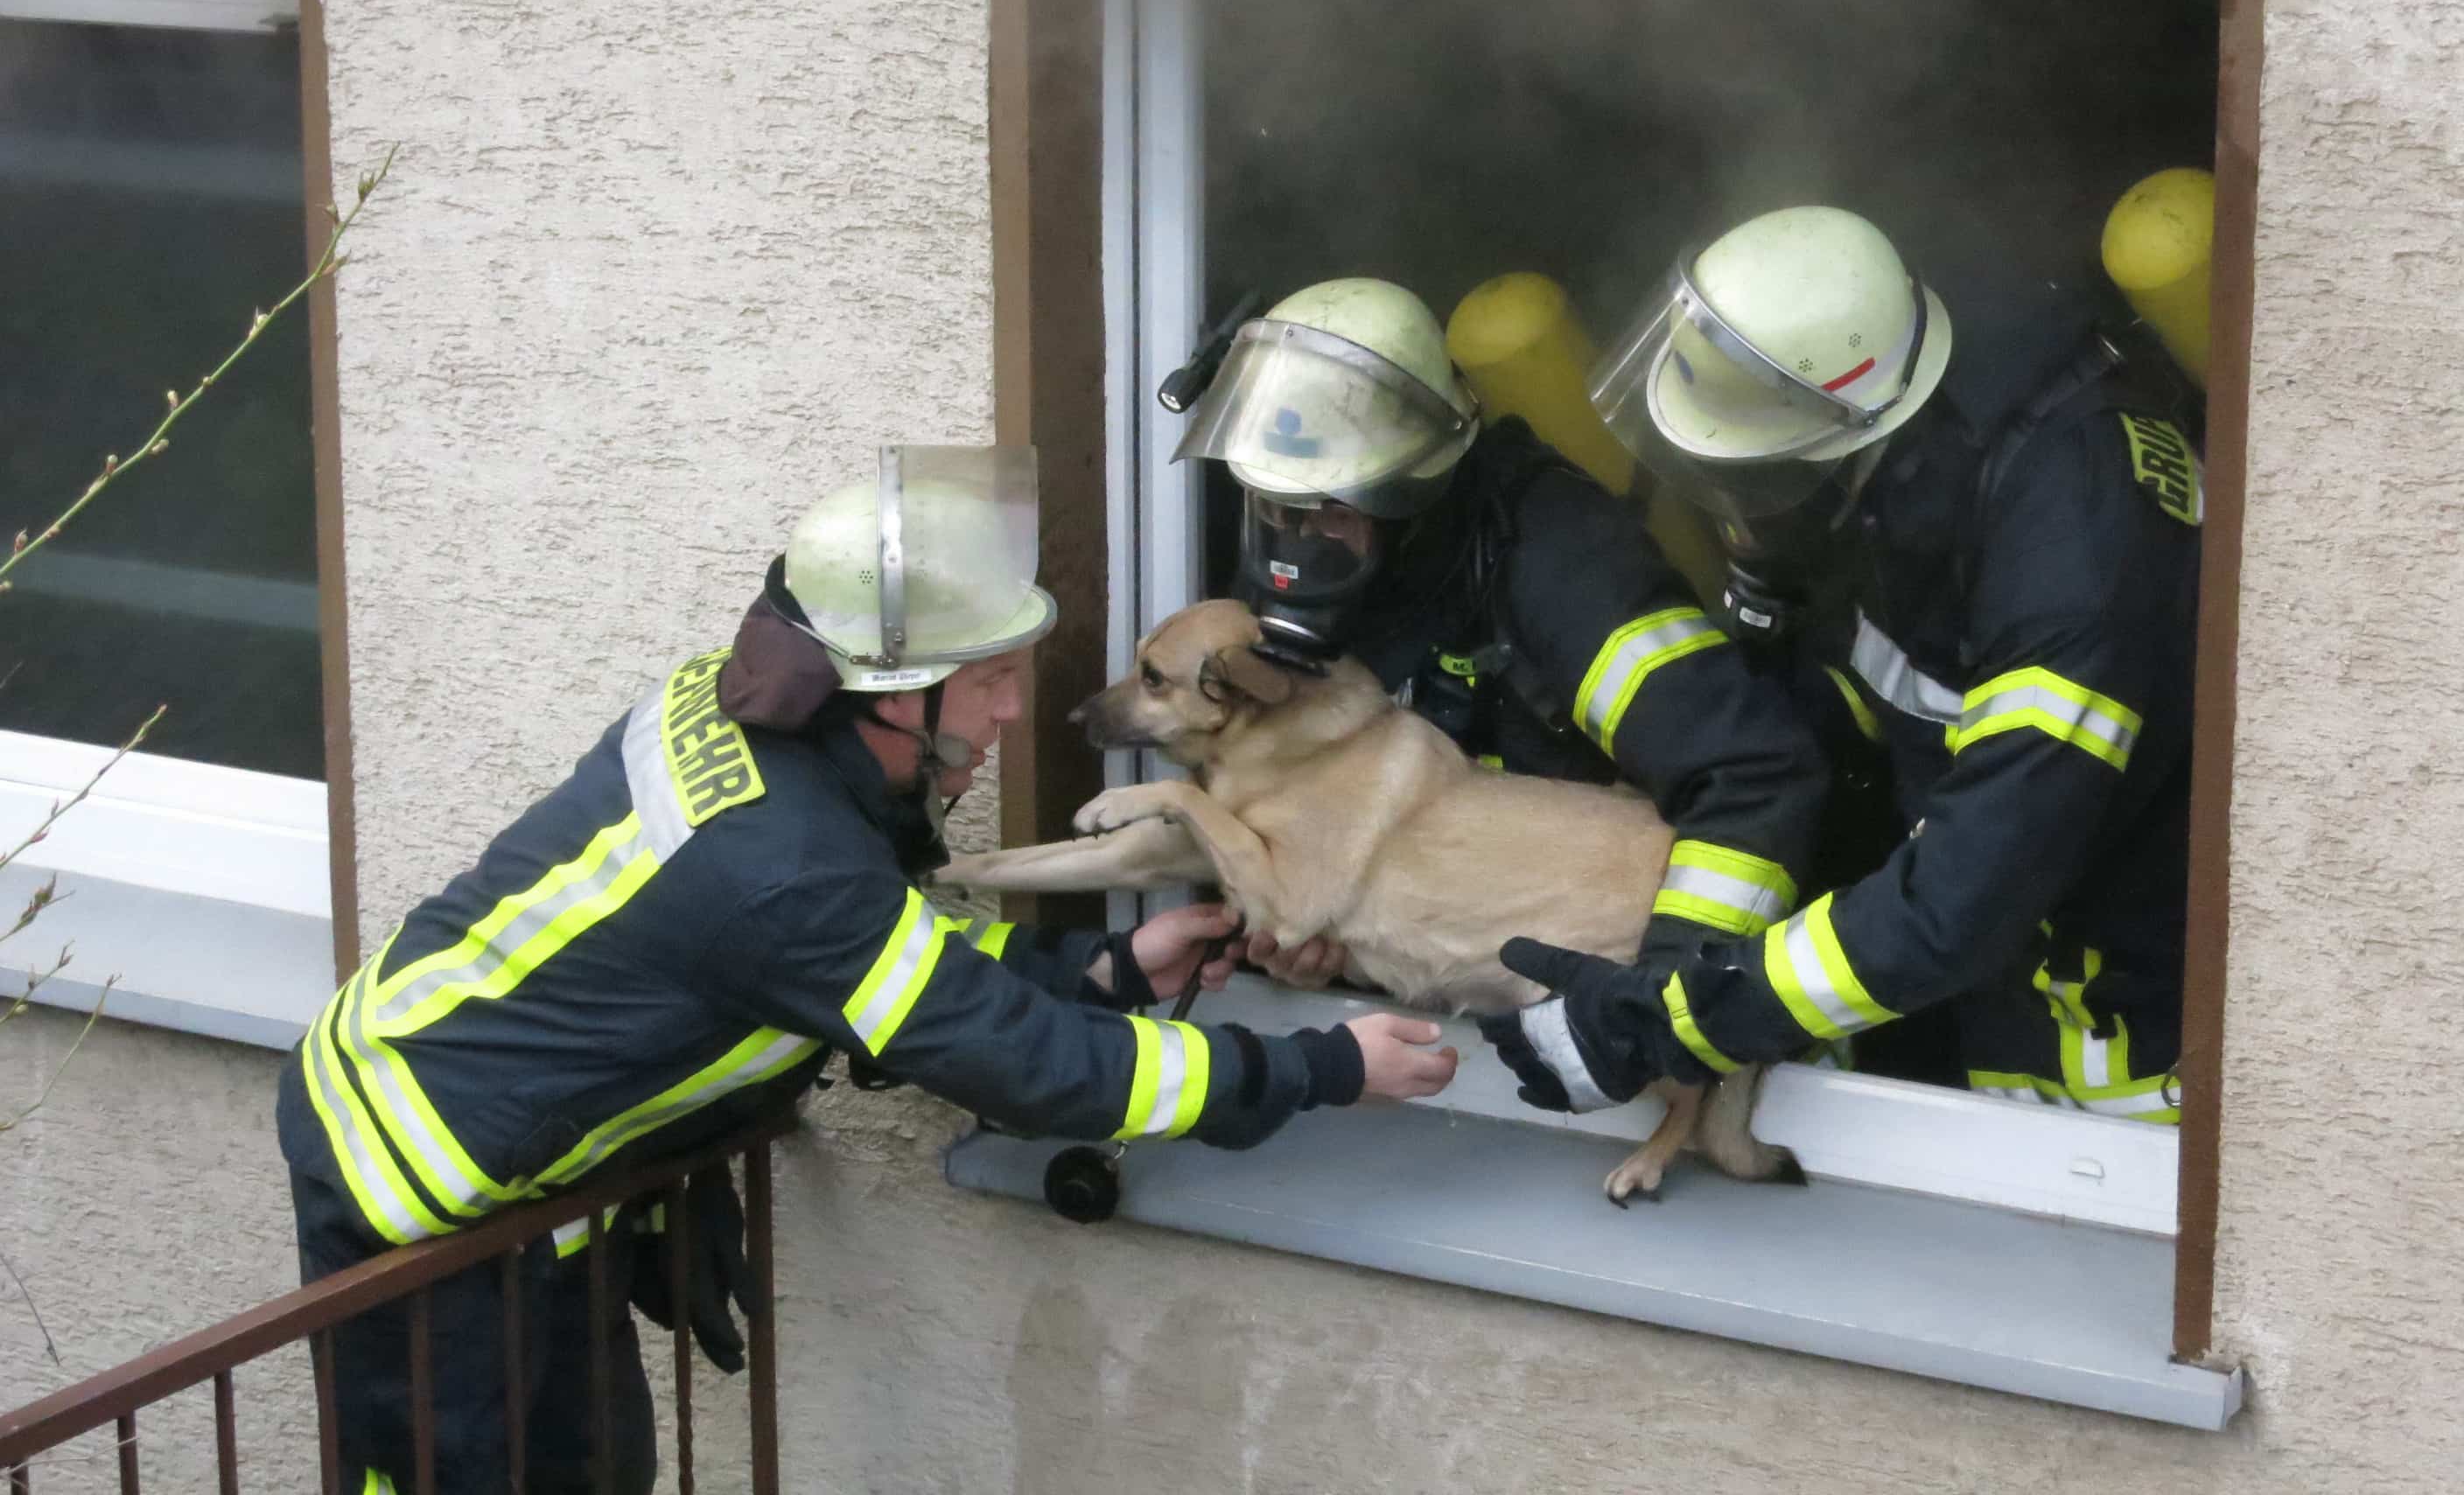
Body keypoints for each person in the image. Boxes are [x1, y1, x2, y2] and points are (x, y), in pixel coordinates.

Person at [275, 444, 1457, 1494]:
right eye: (988, 681)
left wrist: (1113, 967)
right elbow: (1035, 1070)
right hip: (413, 1186)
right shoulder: (784, 872)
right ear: (885, 693)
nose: (1005, 714)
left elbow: (899, 950)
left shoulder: (743, 714)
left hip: (515, 1162)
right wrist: (1314, 1067)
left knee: (597, 1470)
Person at [1479, 206, 2201, 1122]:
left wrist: (1671, 1022)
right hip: (1986, 1015)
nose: (1731, 512)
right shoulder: (1902, 476)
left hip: (2140, 1054)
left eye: (1750, 477)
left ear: (1847, 441)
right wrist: (1669, 962)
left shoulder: (2079, 545)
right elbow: (1847, 739)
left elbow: (1970, 891)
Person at [1169, 276, 1830, 984]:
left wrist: (1662, 1000)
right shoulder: (1300, 585)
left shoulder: (1563, 567)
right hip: (1460, 1007)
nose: (1296, 543)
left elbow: (1754, 777)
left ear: (1409, 495)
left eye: (1327, 509)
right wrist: (1315, 943)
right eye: (1273, 507)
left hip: (1614, 975)